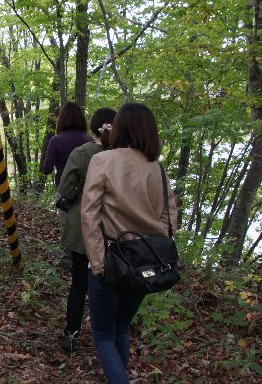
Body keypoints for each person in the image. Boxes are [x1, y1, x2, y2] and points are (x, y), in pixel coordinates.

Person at [80, 103, 177, 383]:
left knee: (102, 335)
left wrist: (97, 261)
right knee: (122, 327)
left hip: (111, 257)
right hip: (146, 259)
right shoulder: (156, 168)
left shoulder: (103, 160)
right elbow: (171, 217)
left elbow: (89, 213)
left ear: (119, 127)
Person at [56, 107, 117, 353]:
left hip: (85, 230)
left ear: (94, 128)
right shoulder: (124, 157)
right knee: (110, 284)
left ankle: (71, 334)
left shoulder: (82, 154)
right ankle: (108, 335)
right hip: (116, 231)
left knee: (79, 283)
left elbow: (67, 188)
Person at [41, 102, 94, 269]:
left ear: (61, 119)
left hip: (64, 189)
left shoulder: (56, 140)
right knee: (87, 222)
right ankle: (88, 258)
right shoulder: (89, 140)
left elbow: (47, 169)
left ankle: (68, 260)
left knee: (67, 223)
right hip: (89, 189)